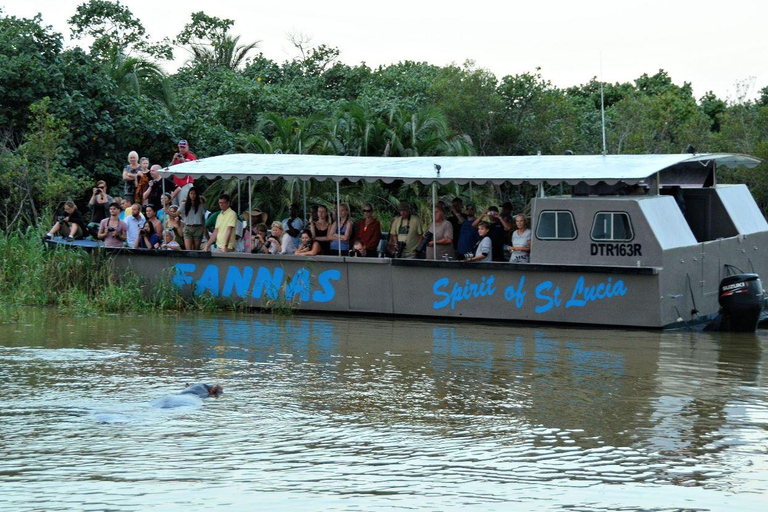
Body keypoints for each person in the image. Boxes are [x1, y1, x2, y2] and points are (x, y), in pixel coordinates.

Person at [169, 139, 197, 206]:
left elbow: (192, 169)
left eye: (183, 147)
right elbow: (169, 169)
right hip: (176, 185)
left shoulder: (191, 157)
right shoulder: (177, 157)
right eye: (180, 147)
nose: (182, 149)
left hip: (186, 184)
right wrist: (173, 160)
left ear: (187, 147)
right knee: (174, 206)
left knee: (183, 205)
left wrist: (183, 161)